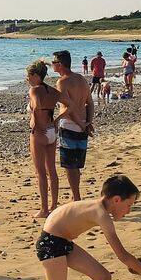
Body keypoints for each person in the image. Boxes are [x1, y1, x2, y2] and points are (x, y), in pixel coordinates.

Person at [51, 50, 93, 201]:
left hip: (70, 126)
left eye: (54, 62)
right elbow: (90, 102)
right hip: (82, 124)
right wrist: (88, 122)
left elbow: (69, 109)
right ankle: (77, 196)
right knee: (76, 164)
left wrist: (81, 124)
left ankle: (76, 198)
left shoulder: (62, 82)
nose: (52, 65)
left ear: (60, 64)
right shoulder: (81, 79)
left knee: (70, 166)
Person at [27, 60, 65, 218]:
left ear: (36, 76)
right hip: (51, 132)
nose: (27, 79)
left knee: (40, 172)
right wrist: (57, 120)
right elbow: (69, 105)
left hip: (39, 133)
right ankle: (54, 205)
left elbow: (35, 105)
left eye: (28, 76)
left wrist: (35, 121)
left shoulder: (34, 90)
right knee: (52, 170)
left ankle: (44, 210)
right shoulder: (53, 91)